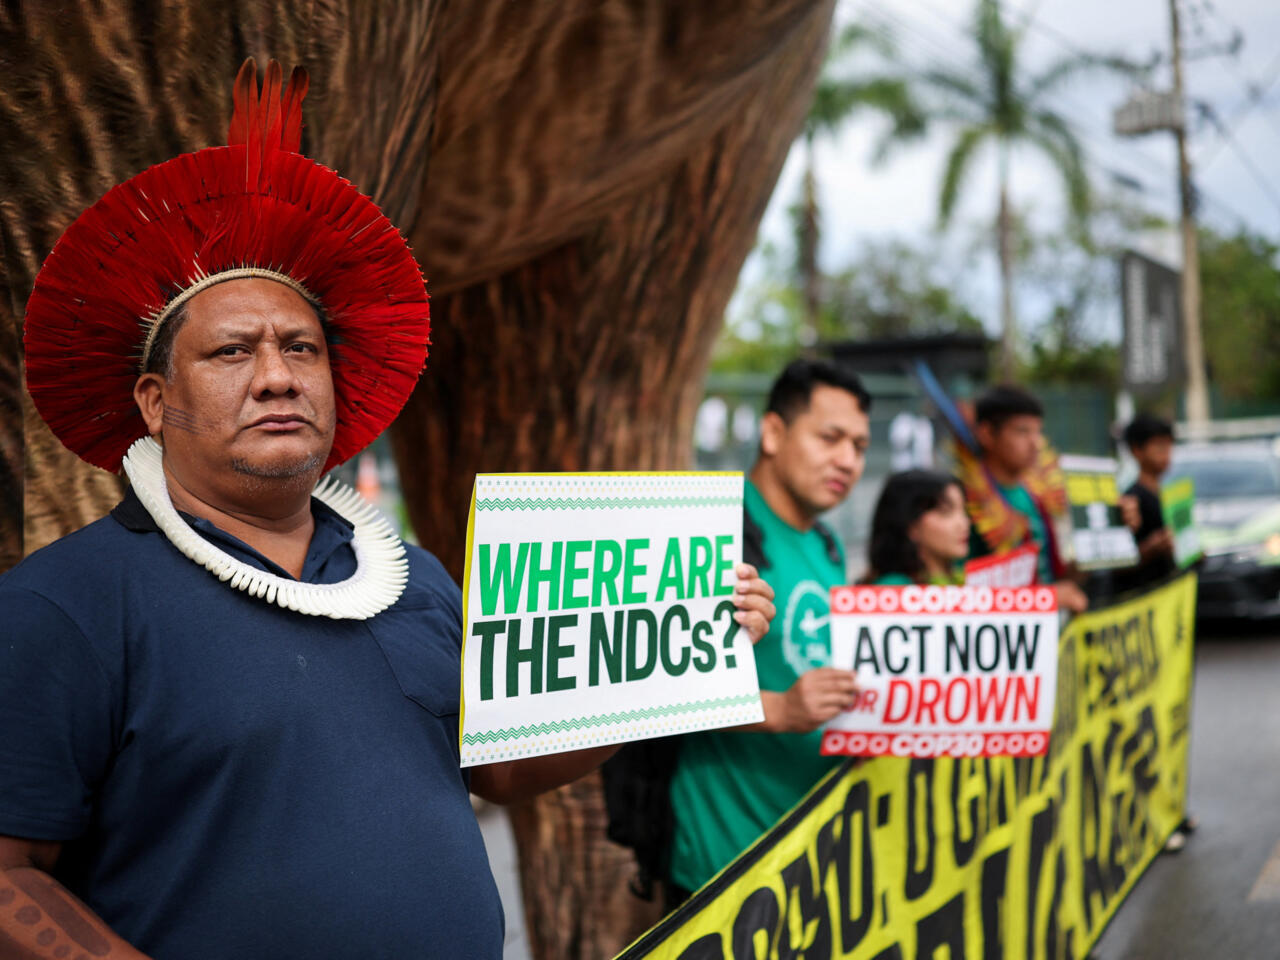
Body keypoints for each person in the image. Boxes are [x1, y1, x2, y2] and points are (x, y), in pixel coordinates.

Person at [0, 61, 778, 960]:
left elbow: (507, 765)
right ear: (152, 401)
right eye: (230, 352)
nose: (278, 375)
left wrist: (668, 670)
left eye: (301, 347)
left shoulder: (413, 580)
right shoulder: (68, 605)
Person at [664, 359, 868, 901]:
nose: (847, 460)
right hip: (726, 869)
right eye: (831, 437)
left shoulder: (828, 543)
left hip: (815, 852)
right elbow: (657, 685)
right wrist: (781, 710)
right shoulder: (709, 526)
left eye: (860, 446)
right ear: (773, 432)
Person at [960, 385, 1088, 613]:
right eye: (1022, 432)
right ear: (987, 434)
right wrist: (1047, 598)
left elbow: (1051, 576)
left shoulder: (1036, 497)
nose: (1036, 443)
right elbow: (962, 591)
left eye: (1038, 432)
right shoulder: (967, 502)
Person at [866, 470, 970, 586]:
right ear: (912, 524)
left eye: (964, 511)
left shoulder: (969, 580)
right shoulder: (893, 590)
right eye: (945, 512)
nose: (963, 523)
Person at [1117, 412, 1177, 589]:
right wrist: (1152, 548)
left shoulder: (1168, 495)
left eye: (1169, 446)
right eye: (1159, 447)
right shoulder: (1130, 501)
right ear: (1137, 450)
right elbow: (1119, 563)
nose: (1166, 454)